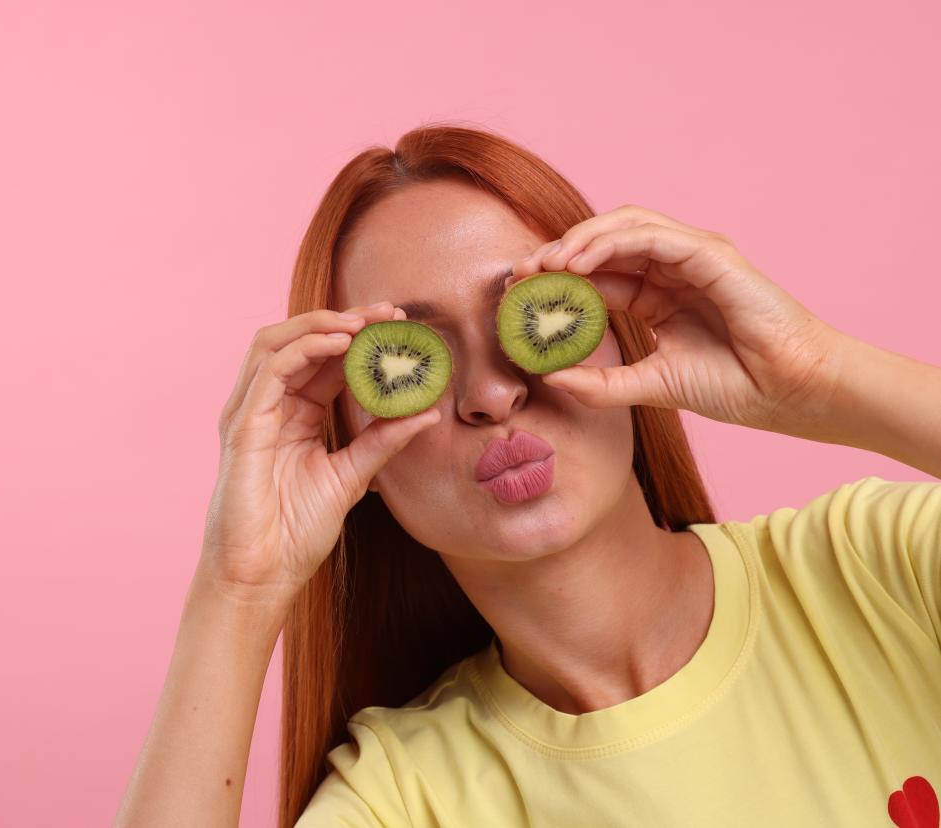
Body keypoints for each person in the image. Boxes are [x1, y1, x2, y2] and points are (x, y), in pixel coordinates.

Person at [115, 124, 941, 827]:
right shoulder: (407, 798)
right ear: (349, 445)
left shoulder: (880, 569)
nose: (491, 395)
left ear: (619, 330)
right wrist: (239, 586)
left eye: (531, 320)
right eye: (415, 363)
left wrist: (816, 376)